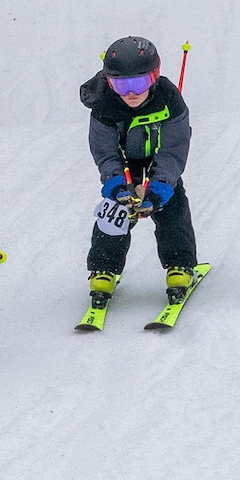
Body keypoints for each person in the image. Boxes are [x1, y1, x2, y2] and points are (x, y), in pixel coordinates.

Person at [80, 37, 199, 306]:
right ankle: (104, 268)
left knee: (172, 205)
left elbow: (173, 150)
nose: (130, 93)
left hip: (158, 159)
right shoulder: (105, 105)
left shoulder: (169, 99)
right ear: (109, 82)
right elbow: (105, 151)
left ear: (154, 77)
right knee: (115, 210)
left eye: (138, 83)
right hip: (124, 163)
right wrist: (117, 184)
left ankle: (179, 264)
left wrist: (158, 189)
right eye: (121, 85)